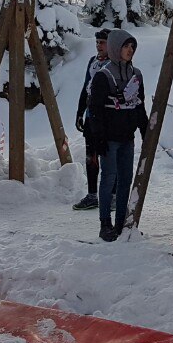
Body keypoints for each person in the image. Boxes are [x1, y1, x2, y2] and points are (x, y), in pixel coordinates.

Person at [86, 28, 148, 242]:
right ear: (115, 48)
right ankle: (105, 223)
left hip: (127, 138)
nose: (130, 50)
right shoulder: (104, 75)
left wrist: (145, 130)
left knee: (125, 180)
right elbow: (94, 109)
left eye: (132, 47)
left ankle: (122, 221)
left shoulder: (136, 74)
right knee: (108, 179)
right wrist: (98, 138)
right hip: (109, 138)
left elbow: (140, 105)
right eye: (126, 46)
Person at [72, 28, 111, 212]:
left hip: (108, 117)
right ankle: (92, 194)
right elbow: (85, 87)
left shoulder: (115, 62)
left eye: (102, 42)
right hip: (91, 116)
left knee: (109, 157)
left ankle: (112, 195)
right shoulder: (93, 61)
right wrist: (80, 112)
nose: (99, 46)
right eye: (97, 42)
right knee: (91, 157)